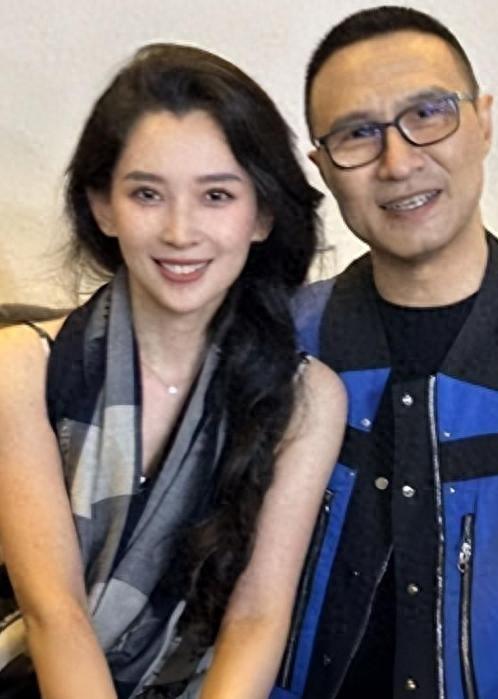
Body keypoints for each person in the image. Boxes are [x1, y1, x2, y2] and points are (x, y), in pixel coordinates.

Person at [267, 6, 498, 699]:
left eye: (428, 114)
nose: (398, 161)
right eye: (357, 133)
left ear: (483, 122)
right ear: (321, 167)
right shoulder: (275, 345)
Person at [0, 43, 347, 699]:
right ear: (102, 206)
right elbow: (56, 613)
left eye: (216, 195)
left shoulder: (307, 399)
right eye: (147, 194)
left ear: (262, 214)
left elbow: (256, 617)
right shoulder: (20, 367)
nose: (180, 232)